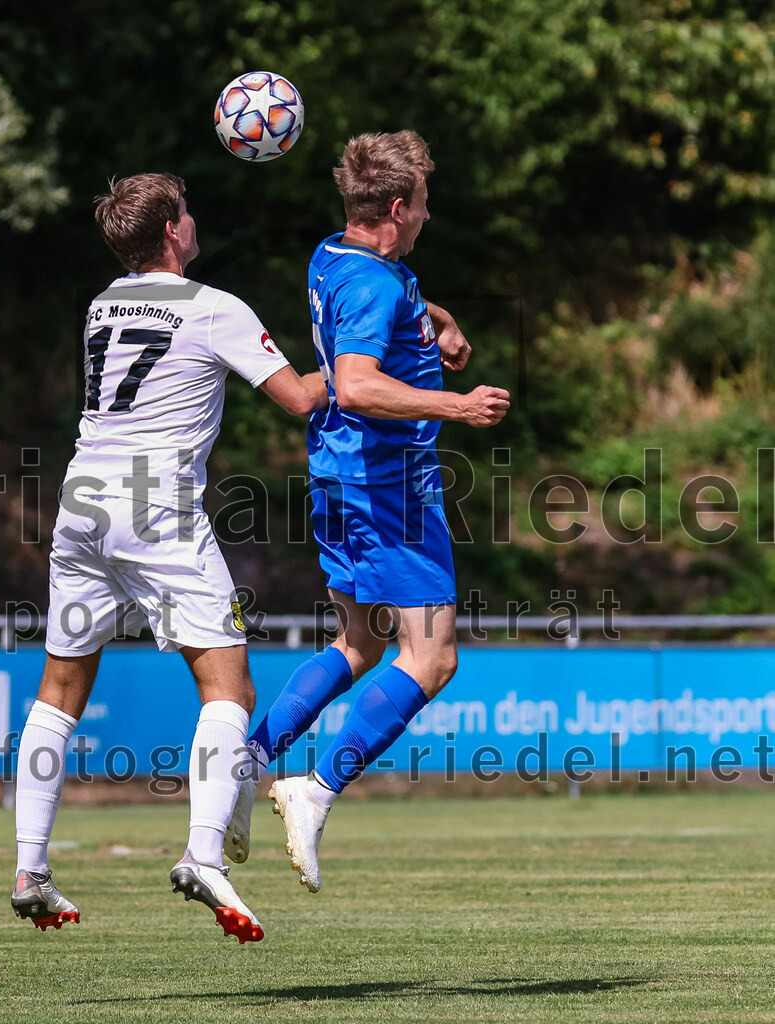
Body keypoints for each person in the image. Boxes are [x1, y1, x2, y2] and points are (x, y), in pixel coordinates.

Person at [9, 172, 327, 942]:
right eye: (187, 211)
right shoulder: (215, 307)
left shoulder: (103, 304)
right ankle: (202, 854)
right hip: (153, 503)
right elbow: (302, 398)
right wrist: (358, 359)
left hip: (84, 495)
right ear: (172, 233)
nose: (194, 220)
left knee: (58, 687)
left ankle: (30, 869)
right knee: (228, 685)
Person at [222, 131, 510, 891]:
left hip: (340, 476)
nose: (426, 215)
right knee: (431, 658)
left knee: (358, 642)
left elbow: (388, 295)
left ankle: (243, 768)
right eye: (419, 203)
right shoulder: (377, 285)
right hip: (387, 488)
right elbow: (353, 383)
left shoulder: (336, 255)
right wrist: (456, 404)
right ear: (393, 205)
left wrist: (437, 322)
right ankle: (313, 791)